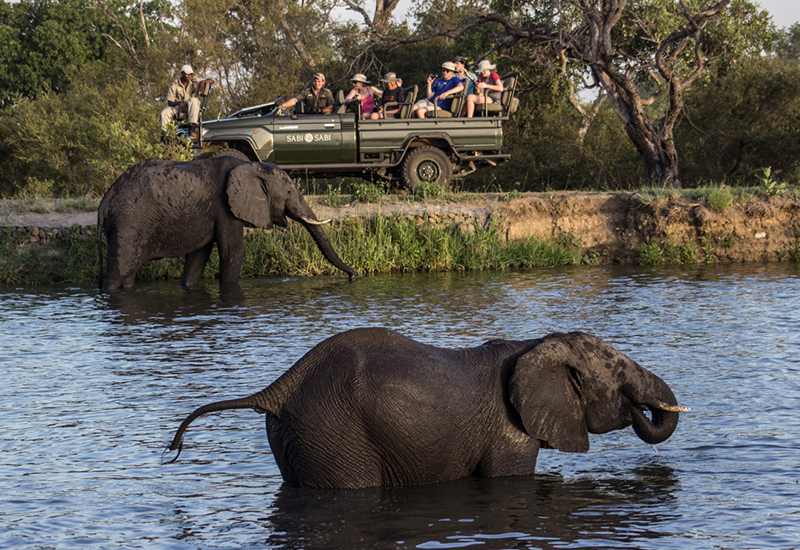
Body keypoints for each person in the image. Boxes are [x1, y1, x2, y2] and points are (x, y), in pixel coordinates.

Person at [161, 64, 205, 138]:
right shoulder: (174, 85)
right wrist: (178, 103)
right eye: (187, 74)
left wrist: (203, 82)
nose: (189, 76)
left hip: (191, 108)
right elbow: (170, 102)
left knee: (194, 100)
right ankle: (165, 135)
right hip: (178, 107)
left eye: (190, 74)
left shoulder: (194, 81)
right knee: (164, 113)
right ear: (182, 73)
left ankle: (192, 127)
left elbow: (211, 80)